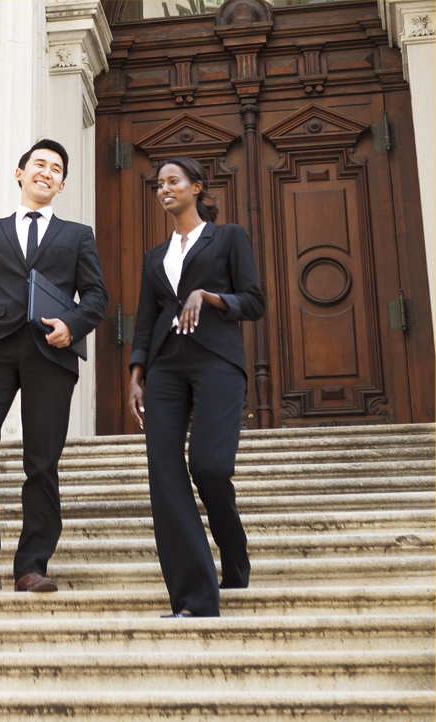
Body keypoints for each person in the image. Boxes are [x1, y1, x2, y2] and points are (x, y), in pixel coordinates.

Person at [0, 139, 108, 594]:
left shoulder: (78, 236)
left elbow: (96, 297)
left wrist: (72, 325)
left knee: (42, 461)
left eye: (56, 168)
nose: (46, 172)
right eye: (39, 164)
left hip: (51, 354)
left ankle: (31, 565)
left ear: (61, 185)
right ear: (20, 173)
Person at [128, 156, 264, 617]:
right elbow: (146, 319)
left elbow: (254, 301)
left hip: (217, 361)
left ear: (196, 187)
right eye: (158, 184)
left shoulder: (228, 238)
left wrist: (207, 296)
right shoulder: (154, 257)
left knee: (208, 465)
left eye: (173, 181)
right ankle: (194, 598)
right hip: (166, 367)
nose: (163, 189)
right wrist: (136, 373)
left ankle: (233, 550)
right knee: (165, 476)